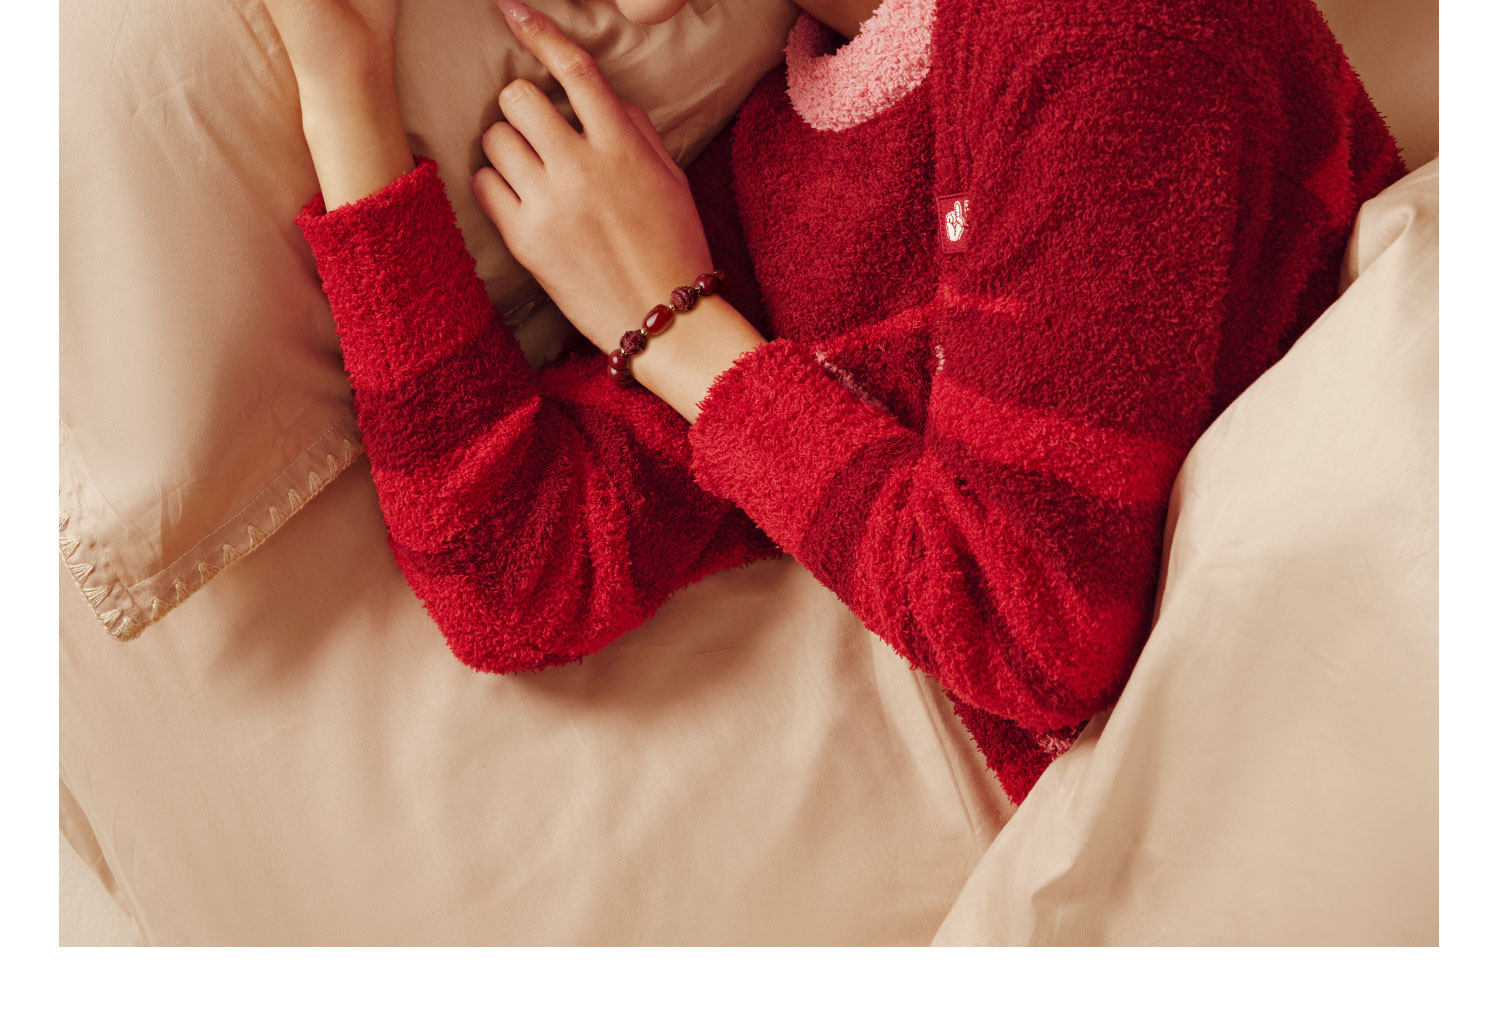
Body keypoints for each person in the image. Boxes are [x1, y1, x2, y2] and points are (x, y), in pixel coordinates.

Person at [264, 0, 1406, 803]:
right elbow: (511, 571)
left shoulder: (1110, 28)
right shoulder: (775, 160)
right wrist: (345, 89)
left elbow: (1031, 627)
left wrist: (675, 327)